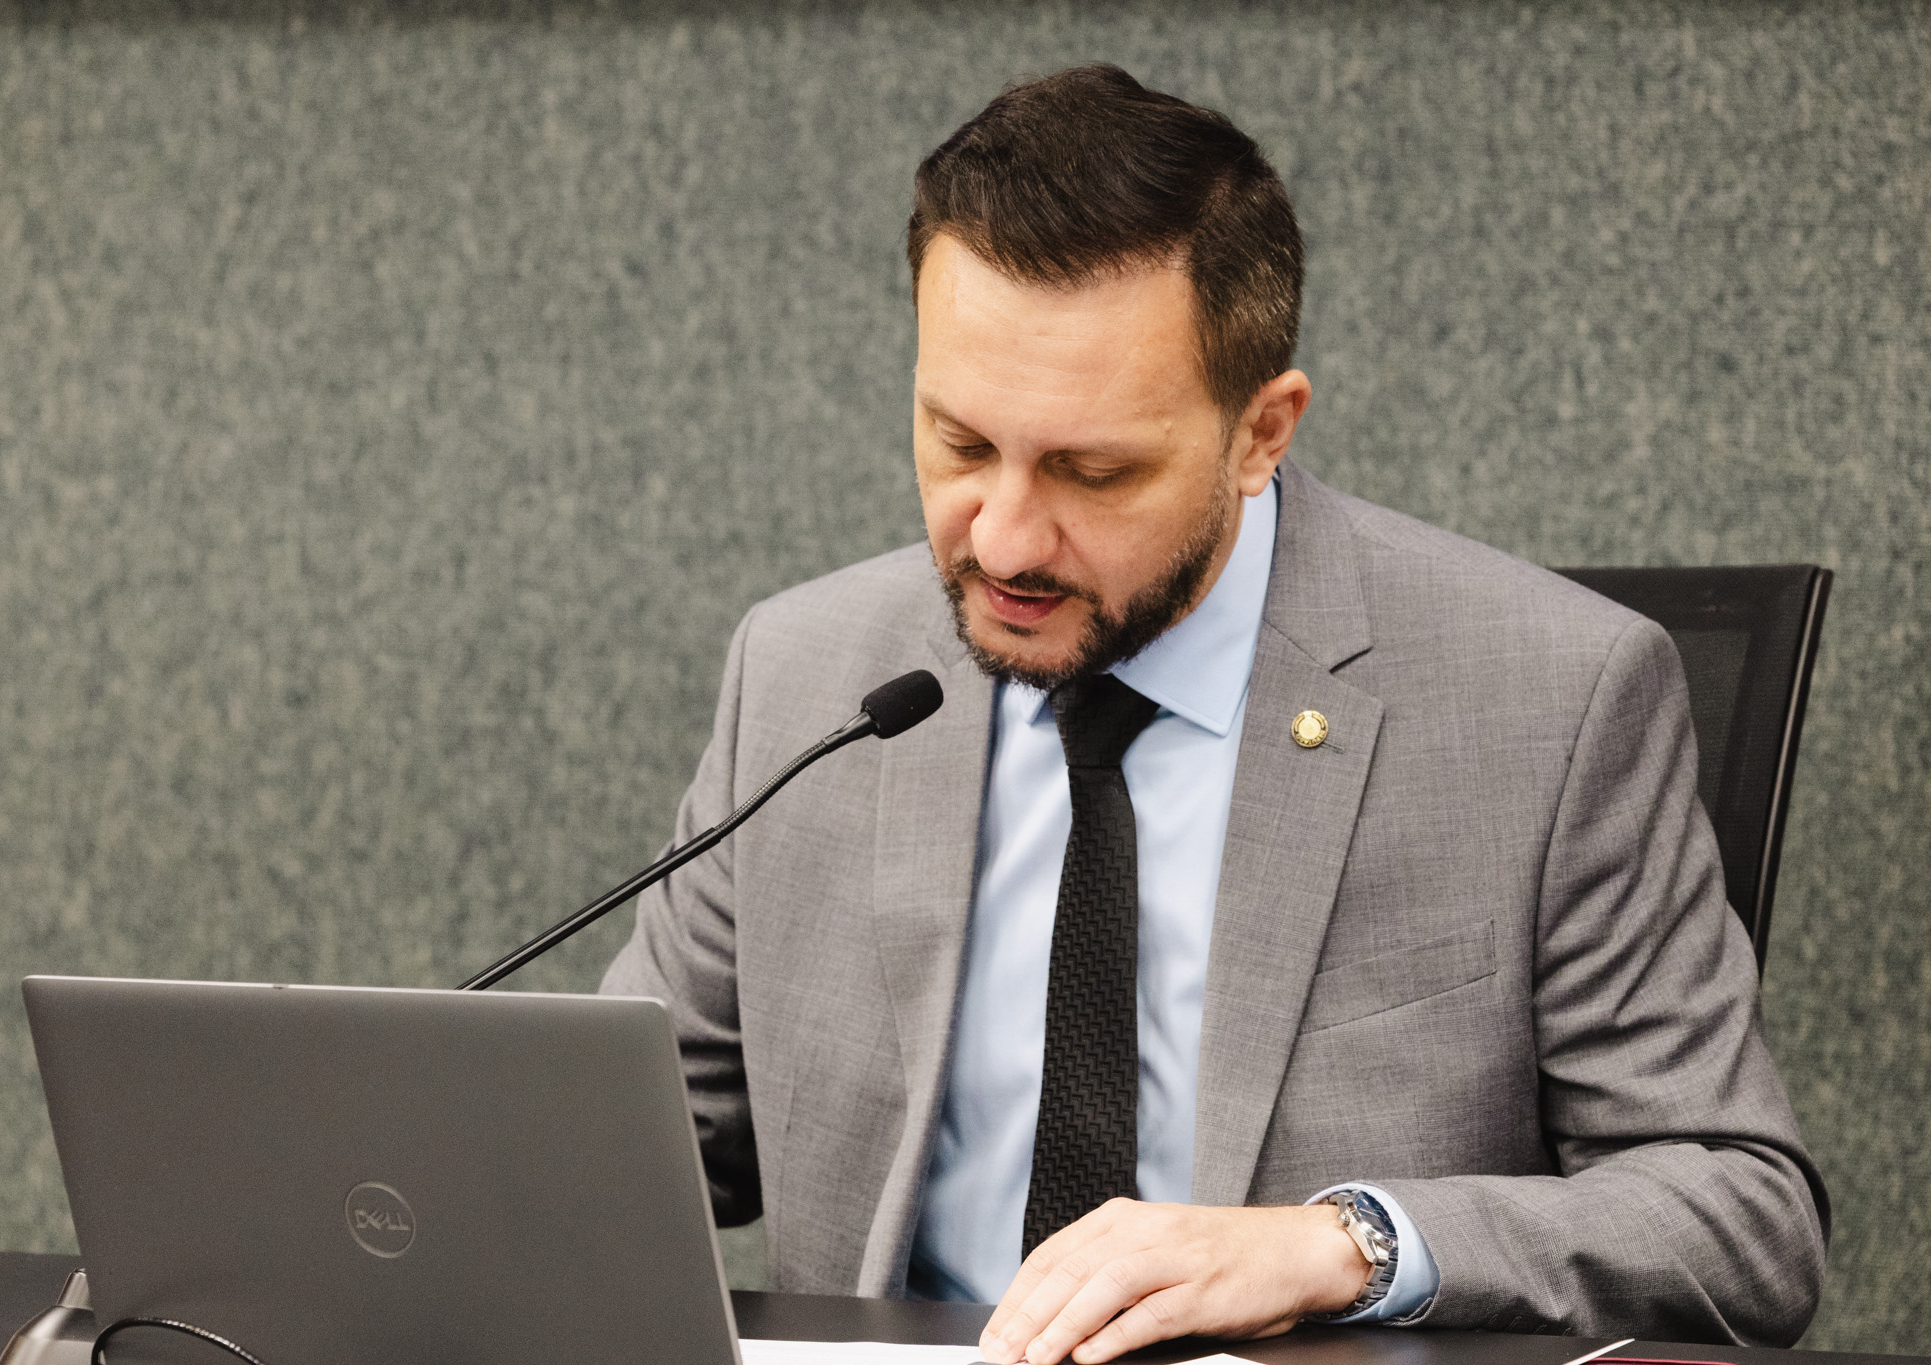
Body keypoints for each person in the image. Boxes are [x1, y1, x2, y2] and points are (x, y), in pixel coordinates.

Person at [602, 65, 1826, 1362]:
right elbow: (632, 1142)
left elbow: (1742, 1222)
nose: (1003, 539)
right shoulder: (807, 671)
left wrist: (1340, 1247)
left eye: (1091, 470)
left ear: (1261, 433)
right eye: (961, 445)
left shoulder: (1553, 700)